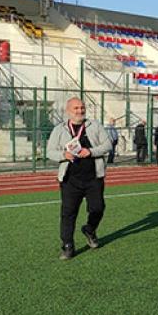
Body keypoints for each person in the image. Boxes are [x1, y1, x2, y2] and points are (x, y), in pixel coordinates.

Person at [47, 97, 113, 260]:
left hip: (93, 177)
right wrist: (64, 154)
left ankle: (90, 229)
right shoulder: (59, 129)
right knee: (68, 213)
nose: (80, 111)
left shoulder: (94, 125)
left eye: (82, 108)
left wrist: (90, 151)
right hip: (70, 180)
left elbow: (108, 145)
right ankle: (67, 245)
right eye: (76, 108)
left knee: (98, 208)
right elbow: (49, 152)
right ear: (68, 111)